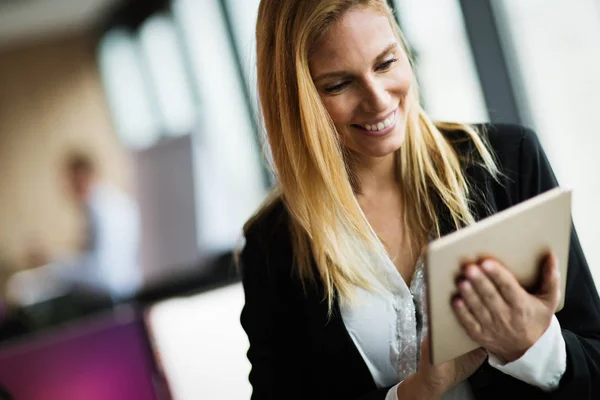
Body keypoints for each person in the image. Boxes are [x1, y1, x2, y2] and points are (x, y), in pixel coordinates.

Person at [238, 0, 600, 399]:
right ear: (294, 100)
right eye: (339, 84)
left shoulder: (509, 159)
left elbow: (595, 361)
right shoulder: (272, 244)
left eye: (386, 63)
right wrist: (417, 391)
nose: (378, 99)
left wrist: (536, 347)